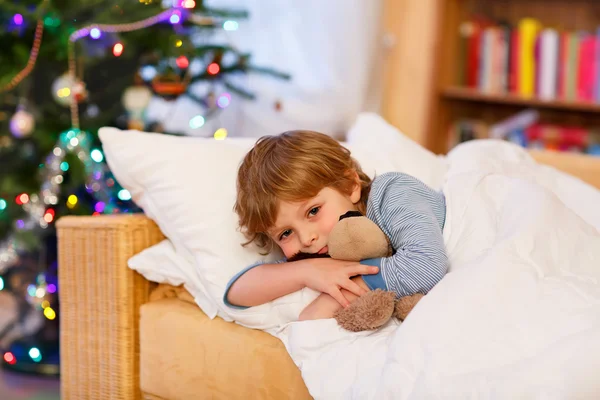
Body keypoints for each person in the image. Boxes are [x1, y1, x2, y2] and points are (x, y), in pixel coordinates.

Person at [223, 130, 448, 321]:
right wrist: (305, 271)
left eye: (313, 211)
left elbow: (426, 265)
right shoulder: (318, 254)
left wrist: (332, 301)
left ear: (351, 185)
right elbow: (237, 293)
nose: (306, 239)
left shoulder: (392, 193)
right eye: (286, 233)